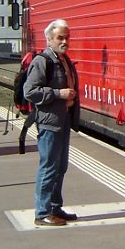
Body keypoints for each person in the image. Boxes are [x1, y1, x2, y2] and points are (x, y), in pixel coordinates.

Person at [25, 19, 80, 227]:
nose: (64, 41)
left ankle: (55, 207)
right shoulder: (43, 61)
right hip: (50, 121)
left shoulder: (63, 59)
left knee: (61, 166)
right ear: (49, 39)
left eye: (67, 37)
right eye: (60, 37)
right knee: (48, 166)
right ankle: (42, 213)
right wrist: (59, 93)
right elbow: (29, 91)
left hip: (63, 119)